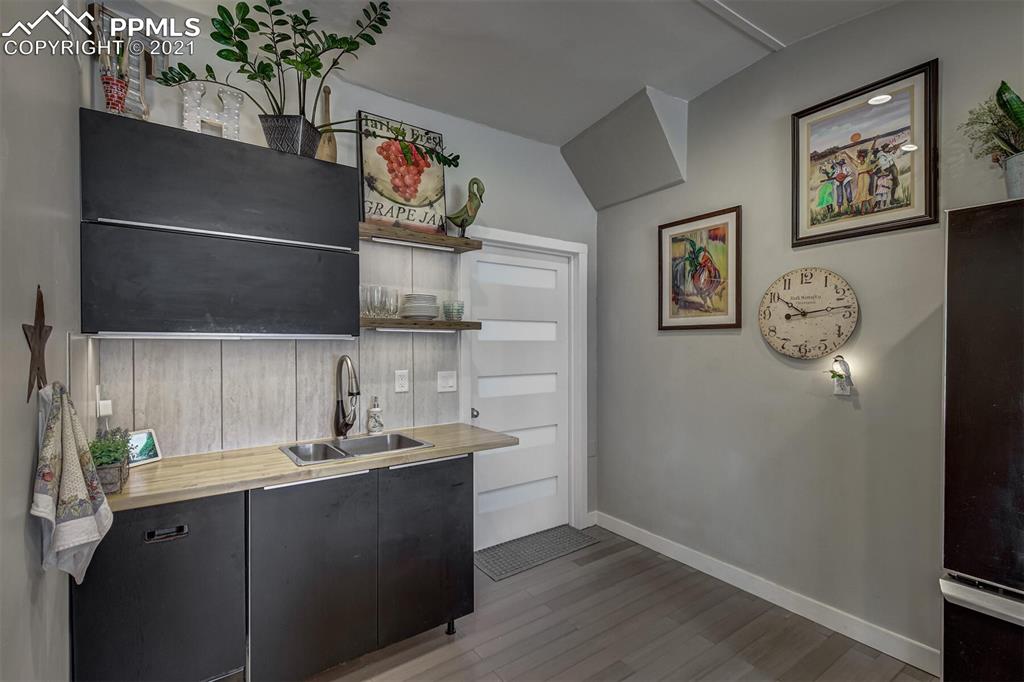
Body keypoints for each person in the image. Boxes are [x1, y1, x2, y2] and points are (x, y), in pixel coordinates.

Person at [842, 142, 876, 214]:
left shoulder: (867, 162)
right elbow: (851, 160)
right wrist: (845, 153)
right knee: (861, 192)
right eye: (859, 157)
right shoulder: (858, 164)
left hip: (866, 177)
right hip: (860, 178)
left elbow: (871, 151)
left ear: (863, 157)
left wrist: (875, 141)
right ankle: (871, 207)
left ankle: (862, 210)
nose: (860, 158)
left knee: (864, 192)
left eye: (861, 157)